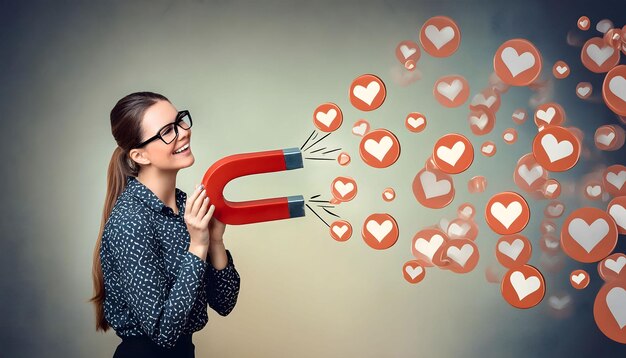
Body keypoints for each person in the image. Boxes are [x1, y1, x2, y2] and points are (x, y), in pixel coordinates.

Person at [89, 91, 241, 357]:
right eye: (166, 131)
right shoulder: (130, 220)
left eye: (180, 121)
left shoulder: (187, 207)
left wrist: (215, 241)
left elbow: (225, 303)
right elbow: (163, 332)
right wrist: (197, 245)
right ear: (140, 155)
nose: (183, 132)